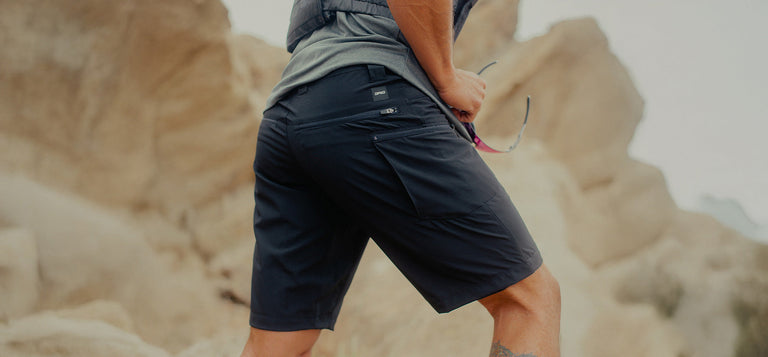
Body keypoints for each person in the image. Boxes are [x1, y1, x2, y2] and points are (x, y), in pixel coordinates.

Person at [240, 1, 561, 356]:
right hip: (372, 101)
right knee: (529, 301)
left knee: (281, 341)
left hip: (290, 110)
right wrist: (445, 77)